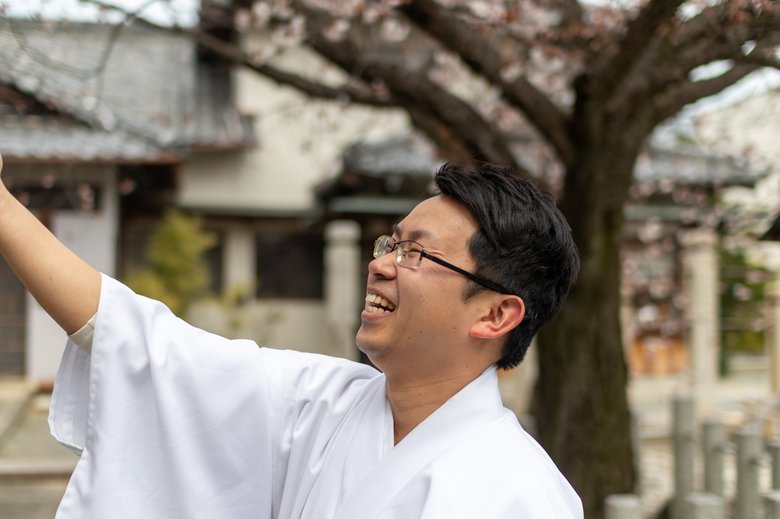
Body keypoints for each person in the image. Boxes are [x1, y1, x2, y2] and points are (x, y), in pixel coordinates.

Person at [0, 153, 583, 518]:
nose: (381, 265)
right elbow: (145, 346)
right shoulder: (321, 405)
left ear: (494, 315)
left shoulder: (521, 495)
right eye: (391, 244)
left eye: (417, 254)